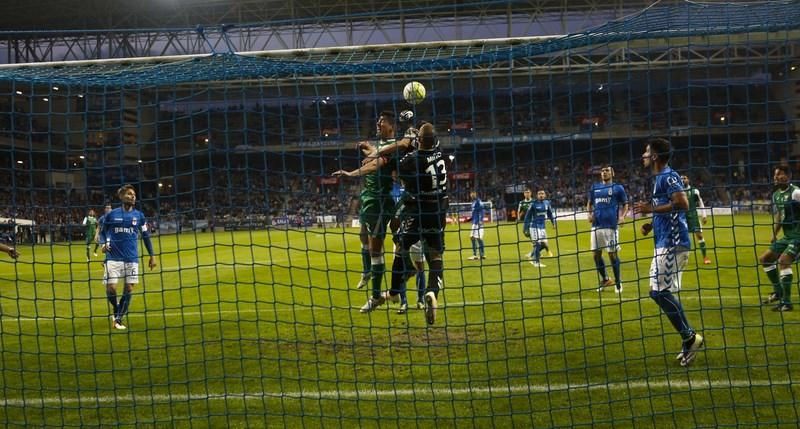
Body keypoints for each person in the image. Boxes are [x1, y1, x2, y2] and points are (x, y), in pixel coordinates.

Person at [633, 138, 704, 366]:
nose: (643, 155)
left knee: (659, 293)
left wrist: (649, 209)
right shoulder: (658, 178)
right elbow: (669, 207)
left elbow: (682, 203)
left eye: (646, 152)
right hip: (665, 240)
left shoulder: (668, 175)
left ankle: (690, 337)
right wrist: (652, 222)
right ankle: (688, 339)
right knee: (659, 292)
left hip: (673, 243)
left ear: (654, 156)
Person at [332, 110, 412, 313]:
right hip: (369, 200)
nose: (378, 123)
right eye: (377, 119)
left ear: (391, 126)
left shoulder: (391, 147)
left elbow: (376, 164)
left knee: (376, 250)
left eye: (382, 121)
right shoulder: (382, 146)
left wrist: (352, 173)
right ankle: (385, 274)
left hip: (379, 202)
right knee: (369, 242)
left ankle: (378, 295)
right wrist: (368, 149)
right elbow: (375, 156)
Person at [387, 122, 449, 324]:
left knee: (401, 246)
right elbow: (430, 142)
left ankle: (395, 290)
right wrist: (420, 138)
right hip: (438, 211)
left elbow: (398, 173)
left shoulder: (413, 159)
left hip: (419, 211)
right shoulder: (442, 155)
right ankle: (432, 293)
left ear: (420, 141)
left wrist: (408, 142)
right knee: (436, 256)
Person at [98, 185, 157, 330]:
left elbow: (145, 236)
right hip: (113, 257)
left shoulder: (139, 216)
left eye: (134, 194)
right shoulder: (111, 215)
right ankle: (117, 307)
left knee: (129, 289)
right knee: (111, 289)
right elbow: (102, 233)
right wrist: (103, 244)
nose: (133, 196)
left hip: (132, 258)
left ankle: (118, 318)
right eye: (129, 194)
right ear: (121, 196)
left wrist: (152, 255)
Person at [758, 165, 800, 311]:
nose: (776, 177)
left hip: (798, 236)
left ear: (788, 176)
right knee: (765, 259)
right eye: (775, 174)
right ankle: (779, 292)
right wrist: (774, 234)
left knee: (783, 261)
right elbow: (780, 216)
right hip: (788, 236)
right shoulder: (776, 195)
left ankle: (787, 303)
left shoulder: (796, 192)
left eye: (780, 174)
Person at [588, 165, 629, 293]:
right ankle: (606, 279)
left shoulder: (618, 188)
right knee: (596, 255)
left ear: (613, 173)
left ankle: (618, 282)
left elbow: (625, 204)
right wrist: (589, 214)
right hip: (596, 226)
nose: (604, 172)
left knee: (612, 255)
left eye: (607, 170)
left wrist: (622, 216)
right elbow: (589, 203)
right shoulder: (595, 187)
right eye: (602, 171)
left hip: (611, 226)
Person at [681, 175, 711, 265]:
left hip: (693, 216)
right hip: (682, 217)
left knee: (699, 236)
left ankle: (705, 257)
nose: (683, 180)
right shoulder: (678, 191)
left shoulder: (694, 191)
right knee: (680, 238)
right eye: (681, 179)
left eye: (684, 178)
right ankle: (680, 259)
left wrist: (704, 215)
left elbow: (700, 202)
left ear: (688, 180)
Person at [523, 189, 555, 267]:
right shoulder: (533, 204)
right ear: (537, 195)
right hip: (534, 226)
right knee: (537, 244)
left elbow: (550, 214)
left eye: (542, 194)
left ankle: (531, 255)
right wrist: (525, 228)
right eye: (539, 194)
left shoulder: (547, 203)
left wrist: (553, 223)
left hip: (542, 227)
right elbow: (527, 216)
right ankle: (536, 262)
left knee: (544, 244)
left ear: (545, 195)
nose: (541, 195)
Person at [517, 189, 536, 259]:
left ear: (530, 193)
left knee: (532, 234)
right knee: (525, 233)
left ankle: (536, 250)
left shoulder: (534, 201)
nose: (527, 194)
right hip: (526, 221)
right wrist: (519, 217)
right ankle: (535, 248)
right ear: (524, 194)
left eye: (528, 192)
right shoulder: (521, 202)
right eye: (526, 193)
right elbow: (519, 211)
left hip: (533, 221)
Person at [467, 191, 485, 260]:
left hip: (478, 223)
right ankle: (475, 255)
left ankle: (481, 254)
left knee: (478, 238)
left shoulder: (478, 202)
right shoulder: (473, 203)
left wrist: (480, 220)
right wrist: (469, 219)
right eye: (471, 194)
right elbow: (474, 213)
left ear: (475, 195)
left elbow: (481, 212)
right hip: (474, 223)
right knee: (472, 237)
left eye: (473, 194)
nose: (471, 195)